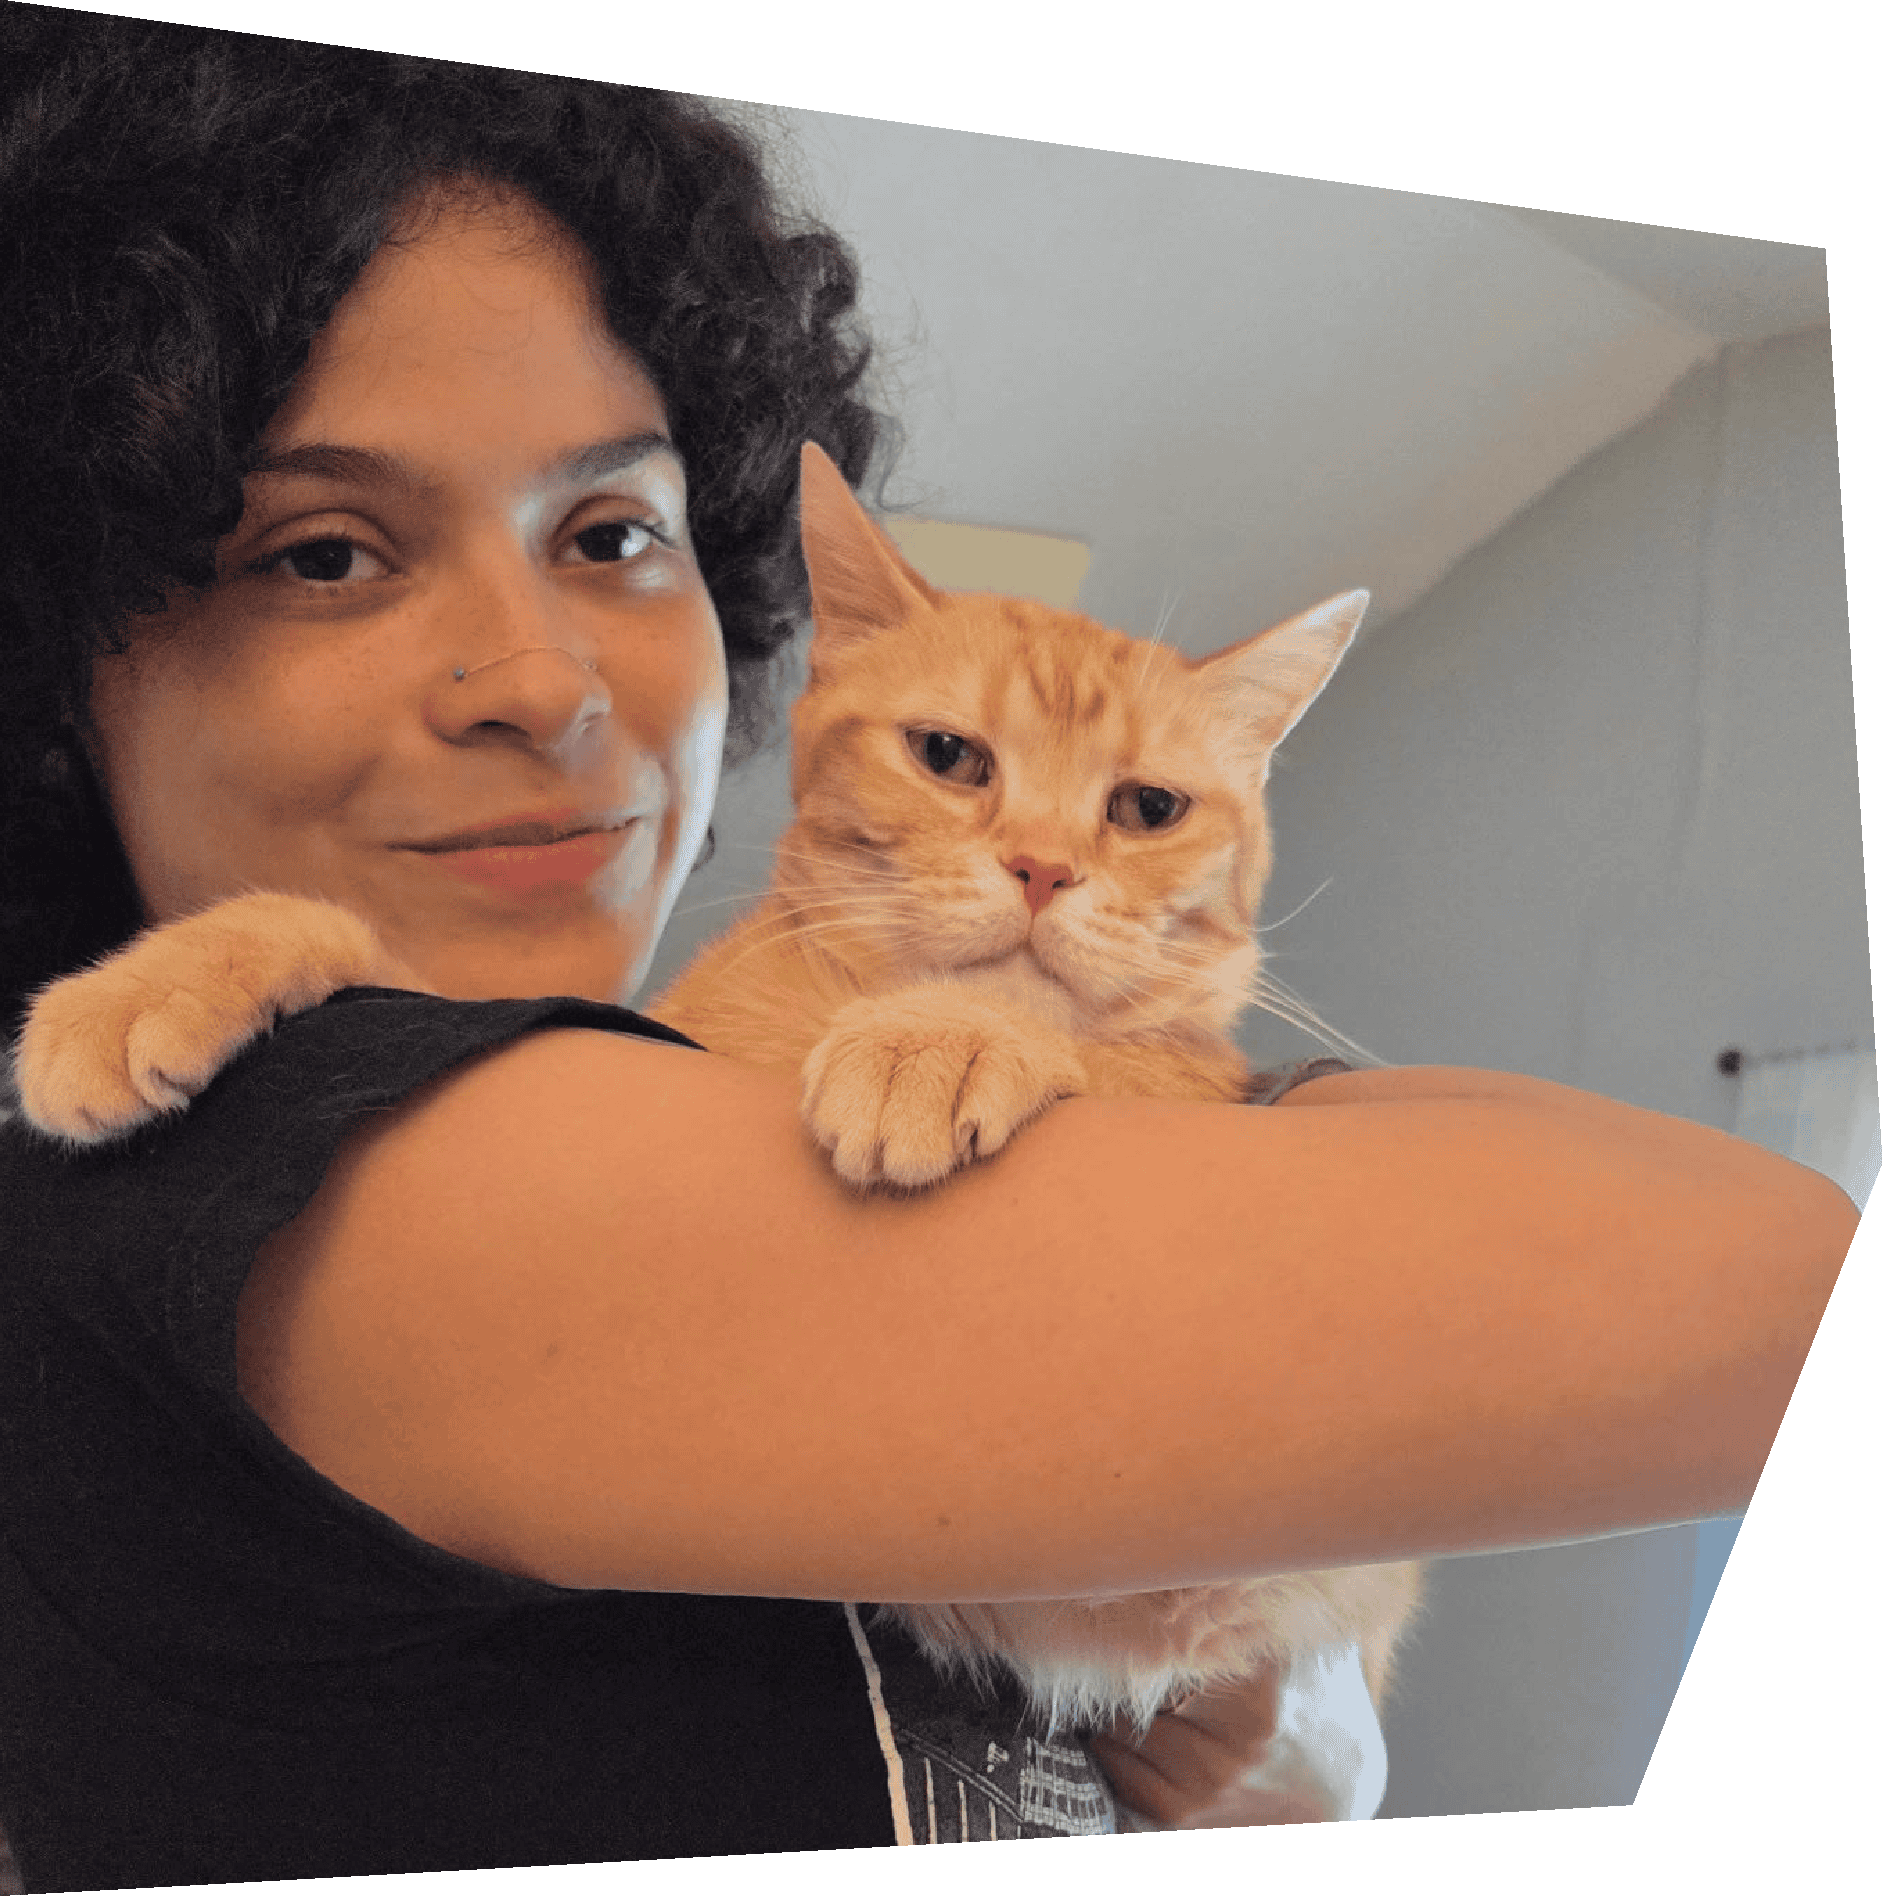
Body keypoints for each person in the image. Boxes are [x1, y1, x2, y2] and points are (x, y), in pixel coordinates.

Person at [0, 10, 1854, 1888]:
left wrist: (1287, 1716)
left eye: (618, 528)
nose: (546, 682)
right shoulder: (270, 1191)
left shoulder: (609, 1095)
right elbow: (1772, 1295)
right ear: (64, 659)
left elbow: (1244, 1663)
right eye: (323, 552)